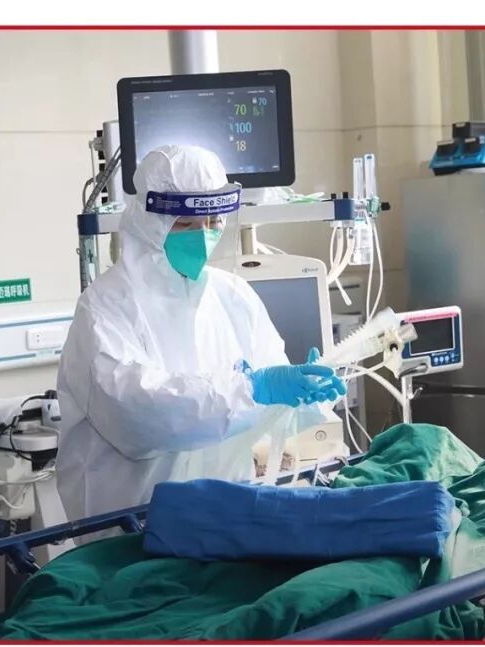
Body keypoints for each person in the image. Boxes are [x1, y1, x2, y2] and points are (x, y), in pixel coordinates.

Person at [56, 144, 346, 522]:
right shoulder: (105, 307)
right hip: (134, 526)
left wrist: (302, 398)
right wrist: (253, 388)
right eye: (186, 224)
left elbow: (263, 407)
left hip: (225, 514)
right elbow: (137, 415)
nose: (203, 235)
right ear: (149, 221)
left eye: (212, 222)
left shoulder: (233, 296)